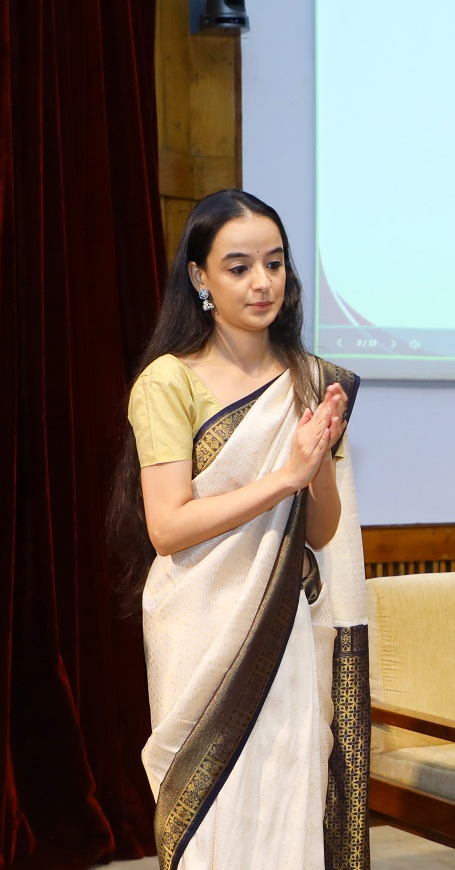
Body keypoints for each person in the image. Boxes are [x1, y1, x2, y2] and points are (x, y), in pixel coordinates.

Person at [107, 189, 369, 869]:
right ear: (200, 277)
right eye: (240, 267)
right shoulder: (168, 382)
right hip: (200, 625)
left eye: (275, 264)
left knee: (285, 800)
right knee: (215, 818)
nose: (263, 283)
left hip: (285, 630)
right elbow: (168, 528)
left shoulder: (311, 382)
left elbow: (321, 531)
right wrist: (283, 475)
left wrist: (316, 464)